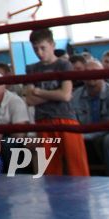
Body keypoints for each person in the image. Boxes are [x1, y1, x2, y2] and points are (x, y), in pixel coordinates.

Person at [24, 27, 89, 176]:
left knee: (77, 166)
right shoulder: (32, 69)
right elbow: (30, 100)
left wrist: (39, 91)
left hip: (66, 119)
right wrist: (55, 93)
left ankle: (82, 198)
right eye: (35, 49)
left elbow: (66, 95)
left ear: (52, 45)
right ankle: (54, 199)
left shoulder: (64, 65)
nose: (39, 52)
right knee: (51, 170)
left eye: (43, 48)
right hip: (43, 121)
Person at [71, 61, 109, 174]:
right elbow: (72, 120)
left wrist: (84, 136)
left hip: (105, 134)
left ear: (103, 74)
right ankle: (73, 182)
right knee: (64, 139)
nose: (91, 75)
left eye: (95, 72)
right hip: (82, 134)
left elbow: (108, 125)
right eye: (87, 72)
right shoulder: (74, 96)